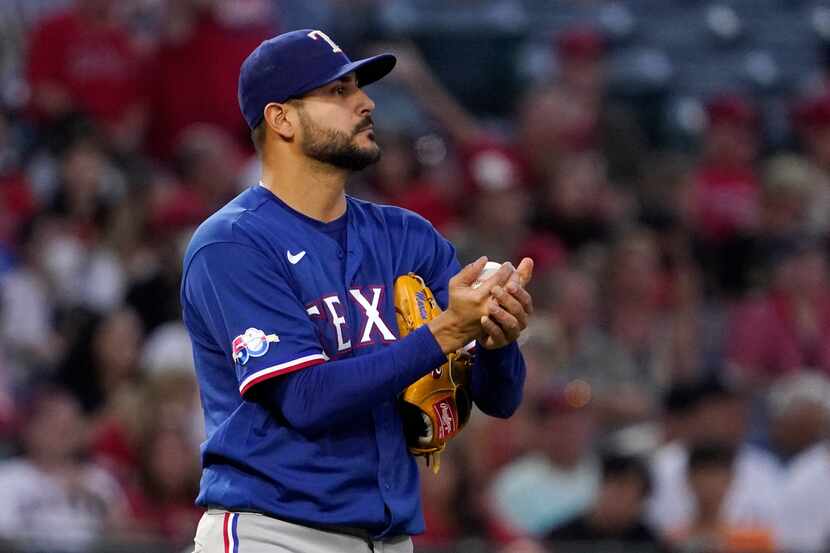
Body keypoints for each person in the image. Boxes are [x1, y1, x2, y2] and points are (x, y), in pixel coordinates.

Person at [181, 29, 534, 553]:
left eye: (359, 88)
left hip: (388, 537)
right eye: (338, 91)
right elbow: (305, 400)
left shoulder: (407, 237)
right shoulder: (233, 243)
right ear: (281, 120)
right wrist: (445, 331)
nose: (366, 102)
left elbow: (499, 400)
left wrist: (497, 339)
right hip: (273, 531)